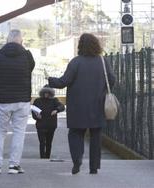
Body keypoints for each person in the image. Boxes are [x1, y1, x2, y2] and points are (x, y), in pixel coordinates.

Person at [45, 33, 115, 175]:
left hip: (78, 107)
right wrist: (101, 91)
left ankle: (77, 161)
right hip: (98, 105)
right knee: (96, 136)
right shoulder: (103, 61)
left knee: (76, 133)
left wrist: (50, 79)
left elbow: (64, 82)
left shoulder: (76, 62)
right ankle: (94, 168)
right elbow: (112, 80)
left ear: (80, 46)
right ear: (96, 45)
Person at [0, 29, 35, 174]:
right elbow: (31, 68)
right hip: (22, 101)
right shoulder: (27, 55)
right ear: (21, 40)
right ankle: (14, 165)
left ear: (7, 40)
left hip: (3, 100)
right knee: (19, 132)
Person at [32, 85, 65, 159]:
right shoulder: (37, 100)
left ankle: (47, 157)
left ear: (51, 93)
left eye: (48, 92)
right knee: (42, 143)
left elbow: (62, 107)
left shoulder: (54, 100)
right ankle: (42, 158)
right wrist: (36, 116)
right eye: (45, 92)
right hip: (41, 125)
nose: (46, 94)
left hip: (51, 125)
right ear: (42, 93)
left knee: (49, 143)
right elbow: (33, 111)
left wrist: (57, 110)